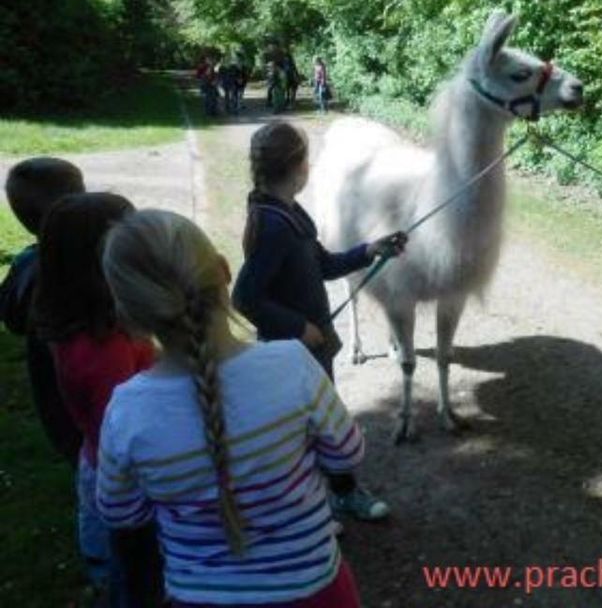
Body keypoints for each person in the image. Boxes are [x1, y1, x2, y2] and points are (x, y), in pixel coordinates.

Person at [96, 209, 364, 607]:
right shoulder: (292, 364)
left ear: (128, 316)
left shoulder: (126, 412)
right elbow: (346, 453)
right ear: (224, 272)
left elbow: (122, 514)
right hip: (316, 591)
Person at [232, 121, 406, 522]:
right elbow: (244, 298)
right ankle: (317, 506)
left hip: (312, 348)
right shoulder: (273, 225)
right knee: (307, 427)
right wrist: (298, 327)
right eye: (306, 158)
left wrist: (371, 250)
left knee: (321, 421)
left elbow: (323, 265)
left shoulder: (288, 212)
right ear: (297, 167)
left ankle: (340, 494)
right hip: (291, 351)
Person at [32, 192, 158, 606]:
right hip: (127, 483)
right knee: (137, 581)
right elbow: (124, 437)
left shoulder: (82, 321)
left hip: (97, 463)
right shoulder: (104, 349)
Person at [0, 157, 85, 464]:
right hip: (93, 415)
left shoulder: (26, 266)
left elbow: (10, 315)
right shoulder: (88, 271)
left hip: (57, 414)